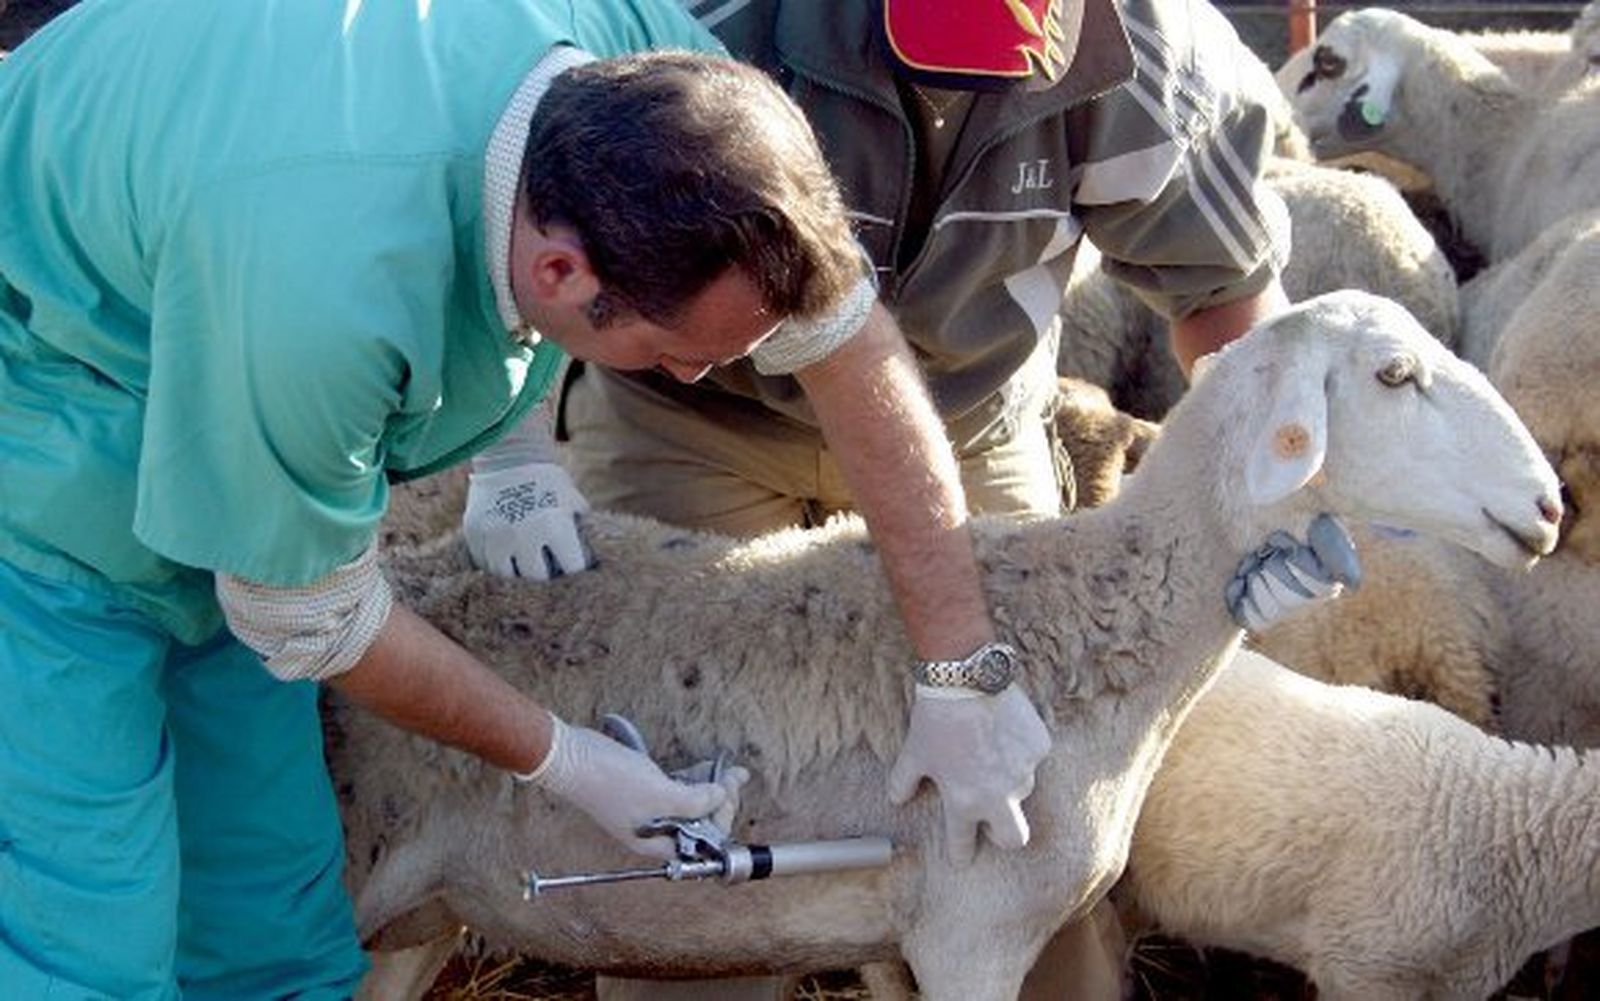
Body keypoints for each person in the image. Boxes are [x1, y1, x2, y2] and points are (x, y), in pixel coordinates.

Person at [0, 1, 1060, 996]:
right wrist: (566, 757)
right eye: (672, 357)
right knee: (90, 935)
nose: (695, 379)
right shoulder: (323, 290)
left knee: (273, 925)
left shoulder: (653, 79)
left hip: (232, 353)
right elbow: (303, 609)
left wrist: (956, 662)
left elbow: (842, 337)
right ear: (559, 273)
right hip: (44, 449)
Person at [527, 0, 1342, 998]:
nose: (956, 85)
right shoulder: (702, 25)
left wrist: (1259, 510)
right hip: (696, 413)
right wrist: (506, 454)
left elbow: (1227, 297)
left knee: (1028, 771)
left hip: (962, 418)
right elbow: (533, 216)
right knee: (693, 778)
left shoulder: (1152, 61)